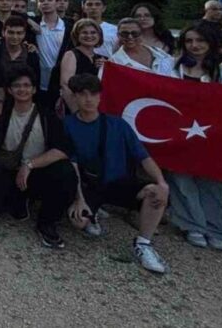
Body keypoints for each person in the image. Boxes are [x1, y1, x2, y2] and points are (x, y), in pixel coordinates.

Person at [63, 73, 171, 274]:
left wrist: (161, 182)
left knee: (156, 193)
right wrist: (79, 199)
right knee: (78, 221)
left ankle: (144, 244)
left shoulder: (118, 124)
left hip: (118, 182)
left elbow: (143, 157)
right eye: (83, 94)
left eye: (93, 94)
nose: (88, 99)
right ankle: (92, 212)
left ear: (100, 96)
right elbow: (72, 164)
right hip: (89, 186)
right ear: (75, 97)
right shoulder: (67, 125)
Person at [0, 68, 77, 248]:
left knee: (65, 172)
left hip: (36, 170)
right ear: (9, 90)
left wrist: (29, 165)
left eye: (26, 85)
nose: (22, 90)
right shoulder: (0, 114)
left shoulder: (46, 115)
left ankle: (47, 222)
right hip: (7, 169)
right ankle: (19, 197)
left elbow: (63, 150)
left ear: (34, 89)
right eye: (16, 85)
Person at [166, 23, 222, 251]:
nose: (194, 46)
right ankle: (192, 224)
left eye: (200, 41)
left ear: (210, 43)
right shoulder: (171, 67)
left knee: (212, 180)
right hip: (178, 130)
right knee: (181, 180)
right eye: (189, 41)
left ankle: (217, 227)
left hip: (211, 132)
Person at [58, 19, 108, 114]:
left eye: (93, 32)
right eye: (84, 33)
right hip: (77, 108)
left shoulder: (103, 59)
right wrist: (77, 112)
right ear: (77, 36)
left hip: (96, 109)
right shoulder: (71, 55)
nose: (89, 36)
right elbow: (65, 85)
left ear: (99, 35)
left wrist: (107, 68)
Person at [34, 0, 69, 110]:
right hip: (39, 84)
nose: (45, 3)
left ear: (56, 2)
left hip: (62, 83)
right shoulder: (32, 26)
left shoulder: (69, 26)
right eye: (41, 0)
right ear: (37, 4)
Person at [110, 18, 174, 76]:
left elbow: (174, 69)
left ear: (141, 34)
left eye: (134, 33)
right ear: (118, 35)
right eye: (125, 34)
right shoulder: (114, 62)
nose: (130, 37)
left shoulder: (158, 52)